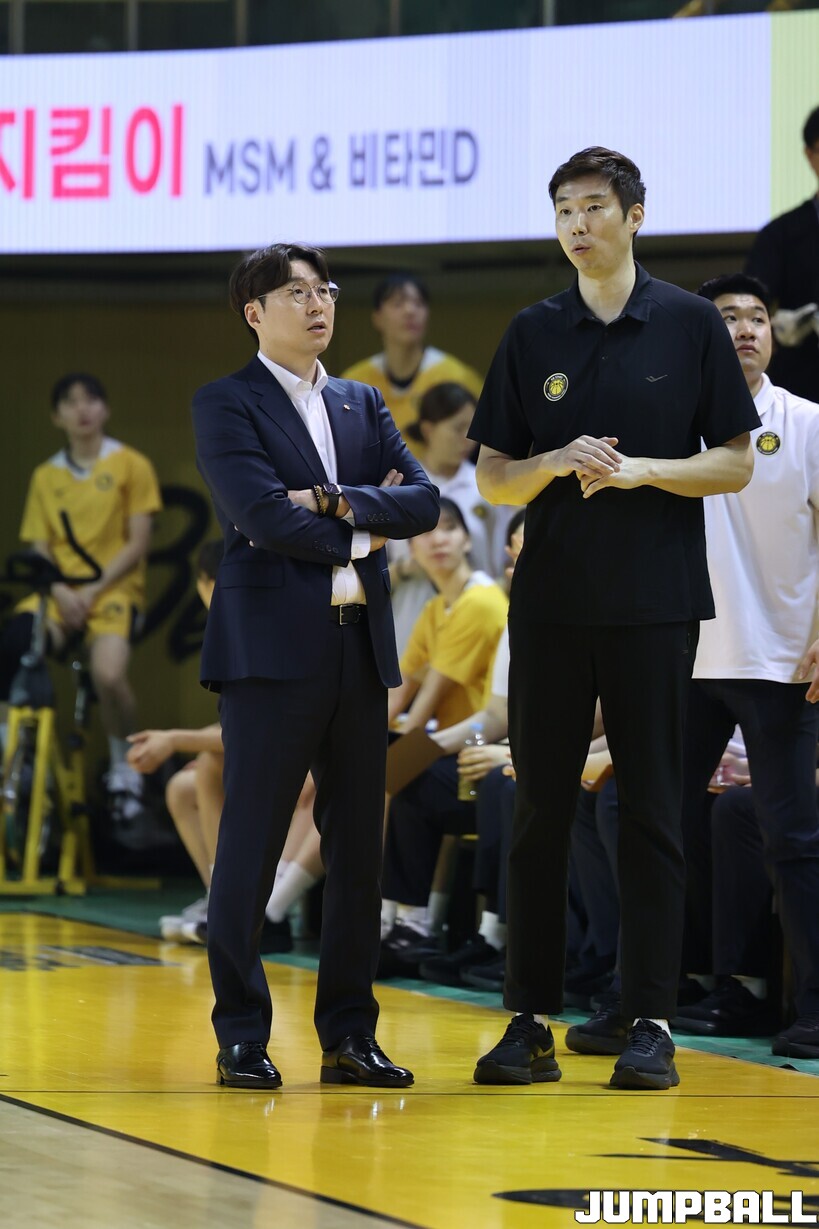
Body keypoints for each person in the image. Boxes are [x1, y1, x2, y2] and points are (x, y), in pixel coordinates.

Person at [466, 146, 758, 1091]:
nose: (576, 224)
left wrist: (640, 472)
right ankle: (527, 1020)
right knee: (538, 811)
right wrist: (553, 460)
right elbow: (493, 477)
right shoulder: (531, 330)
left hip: (655, 607)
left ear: (634, 216)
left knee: (651, 814)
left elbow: (734, 462)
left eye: (593, 206)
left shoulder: (687, 324)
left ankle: (651, 1020)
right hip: (551, 607)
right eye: (563, 209)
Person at [191, 241, 439, 1090]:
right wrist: (369, 526)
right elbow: (262, 518)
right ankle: (240, 1033)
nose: (317, 303)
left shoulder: (360, 400)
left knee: (357, 853)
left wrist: (334, 501)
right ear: (255, 312)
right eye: (296, 292)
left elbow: (423, 500)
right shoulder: (225, 400)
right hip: (268, 654)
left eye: (323, 289)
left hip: (357, 648)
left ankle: (349, 1034)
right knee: (251, 844)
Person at [665, 272, 819, 1060]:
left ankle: (811, 1007)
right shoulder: (673, 422)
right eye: (727, 317)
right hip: (687, 658)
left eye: (757, 317)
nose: (746, 329)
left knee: (790, 837)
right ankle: (663, 991)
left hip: (782, 659)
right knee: (658, 823)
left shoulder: (807, 423)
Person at [0, 372, 162, 824]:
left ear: (105, 409)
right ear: (56, 416)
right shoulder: (45, 475)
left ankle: (125, 771)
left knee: (108, 674)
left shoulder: (131, 464)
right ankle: (14, 760)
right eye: (70, 402)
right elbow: (40, 548)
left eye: (91, 399)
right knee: (15, 644)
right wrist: (58, 590)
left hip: (112, 593)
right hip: (58, 594)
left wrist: (90, 592)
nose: (82, 409)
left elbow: (138, 543)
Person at [379, 496, 509, 971]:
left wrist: (389, 757)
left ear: (468, 540)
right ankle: (401, 922)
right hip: (458, 744)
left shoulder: (481, 601)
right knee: (375, 776)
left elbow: (420, 712)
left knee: (388, 778)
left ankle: (396, 921)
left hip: (481, 747)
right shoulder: (437, 607)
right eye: (426, 532)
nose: (437, 539)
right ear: (409, 550)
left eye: (449, 528)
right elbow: (399, 695)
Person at [388, 382, 516, 653]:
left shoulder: (487, 485)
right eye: (458, 428)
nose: (468, 440)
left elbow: (504, 557)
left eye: (473, 430)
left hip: (474, 620)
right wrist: (405, 569)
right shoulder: (400, 485)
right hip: (408, 618)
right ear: (428, 429)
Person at [341, 273, 483, 447]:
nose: (410, 311)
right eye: (398, 303)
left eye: (419, 303)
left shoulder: (457, 377)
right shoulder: (354, 382)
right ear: (377, 318)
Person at [745, 105, 819, 403]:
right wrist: (783, 326)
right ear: (810, 155)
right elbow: (751, 303)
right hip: (805, 383)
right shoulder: (781, 235)